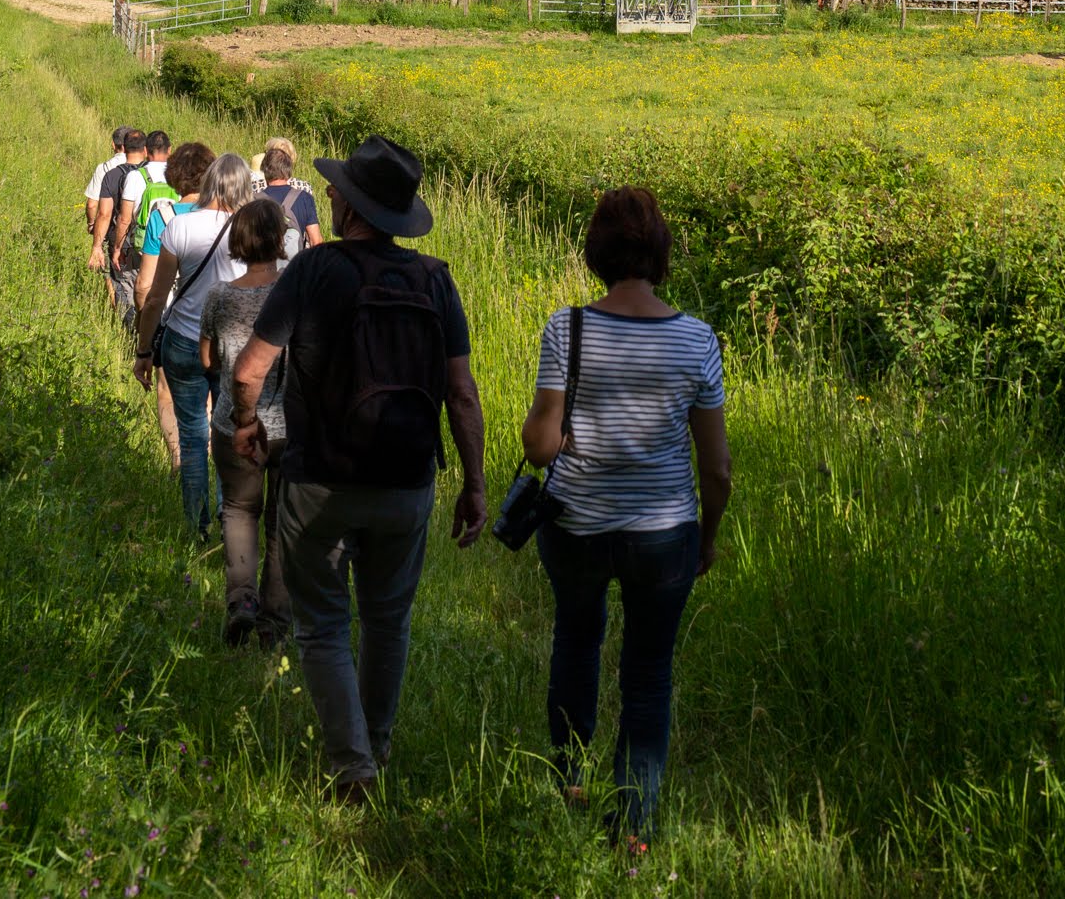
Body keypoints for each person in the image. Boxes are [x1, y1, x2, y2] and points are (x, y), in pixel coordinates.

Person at [229, 135, 487, 801]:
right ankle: (378, 745)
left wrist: (249, 424)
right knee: (387, 620)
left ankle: (353, 768)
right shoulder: (434, 279)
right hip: (407, 481)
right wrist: (474, 483)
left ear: (349, 207)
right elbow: (461, 393)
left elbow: (250, 369)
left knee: (321, 624)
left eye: (340, 190)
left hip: (320, 480)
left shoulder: (315, 271)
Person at [520, 186, 732, 843]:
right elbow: (716, 468)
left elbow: (538, 446)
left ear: (598, 251)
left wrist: (567, 436)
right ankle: (631, 828)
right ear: (660, 252)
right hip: (664, 533)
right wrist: (706, 537)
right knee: (647, 674)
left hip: (576, 525)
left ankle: (567, 782)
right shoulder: (697, 339)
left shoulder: (568, 327)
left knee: (576, 642)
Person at [133, 150, 253, 533]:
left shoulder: (178, 228)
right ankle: (227, 515)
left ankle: (196, 526)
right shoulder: (250, 231)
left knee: (192, 436)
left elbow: (155, 297)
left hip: (184, 340)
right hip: (234, 345)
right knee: (229, 434)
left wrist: (144, 350)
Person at [201, 196, 290, 648]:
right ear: (279, 241)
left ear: (237, 241)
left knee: (238, 510)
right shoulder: (293, 292)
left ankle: (241, 600)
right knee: (281, 521)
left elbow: (207, 359)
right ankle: (275, 624)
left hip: (233, 423)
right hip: (289, 427)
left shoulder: (219, 295)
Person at [135, 140, 215, 472]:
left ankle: (179, 457)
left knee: (168, 393)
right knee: (208, 397)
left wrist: (144, 341)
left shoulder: (163, 216)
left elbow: (146, 288)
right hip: (216, 322)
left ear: (173, 176)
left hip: (173, 324)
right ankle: (206, 454)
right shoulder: (227, 218)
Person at [109, 129, 172, 316]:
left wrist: (118, 248)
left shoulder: (136, 177)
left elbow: (125, 218)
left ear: (146, 150)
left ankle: (138, 329)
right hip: (172, 243)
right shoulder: (177, 177)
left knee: (137, 286)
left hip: (142, 243)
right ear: (170, 150)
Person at [88, 131, 147, 313]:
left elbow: (104, 214)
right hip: (150, 240)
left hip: (120, 241)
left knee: (123, 288)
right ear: (145, 150)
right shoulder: (153, 174)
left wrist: (97, 246)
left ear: (123, 148)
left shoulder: (112, 175)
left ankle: (128, 332)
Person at [258, 137, 323, 255]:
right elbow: (315, 241)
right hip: (294, 267)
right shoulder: (304, 194)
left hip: (261, 269)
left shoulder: (252, 195)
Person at [85, 126, 131, 236]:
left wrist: (91, 224)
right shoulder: (140, 167)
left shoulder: (103, 168)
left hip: (110, 227)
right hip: (135, 229)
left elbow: (92, 204)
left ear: (113, 145)